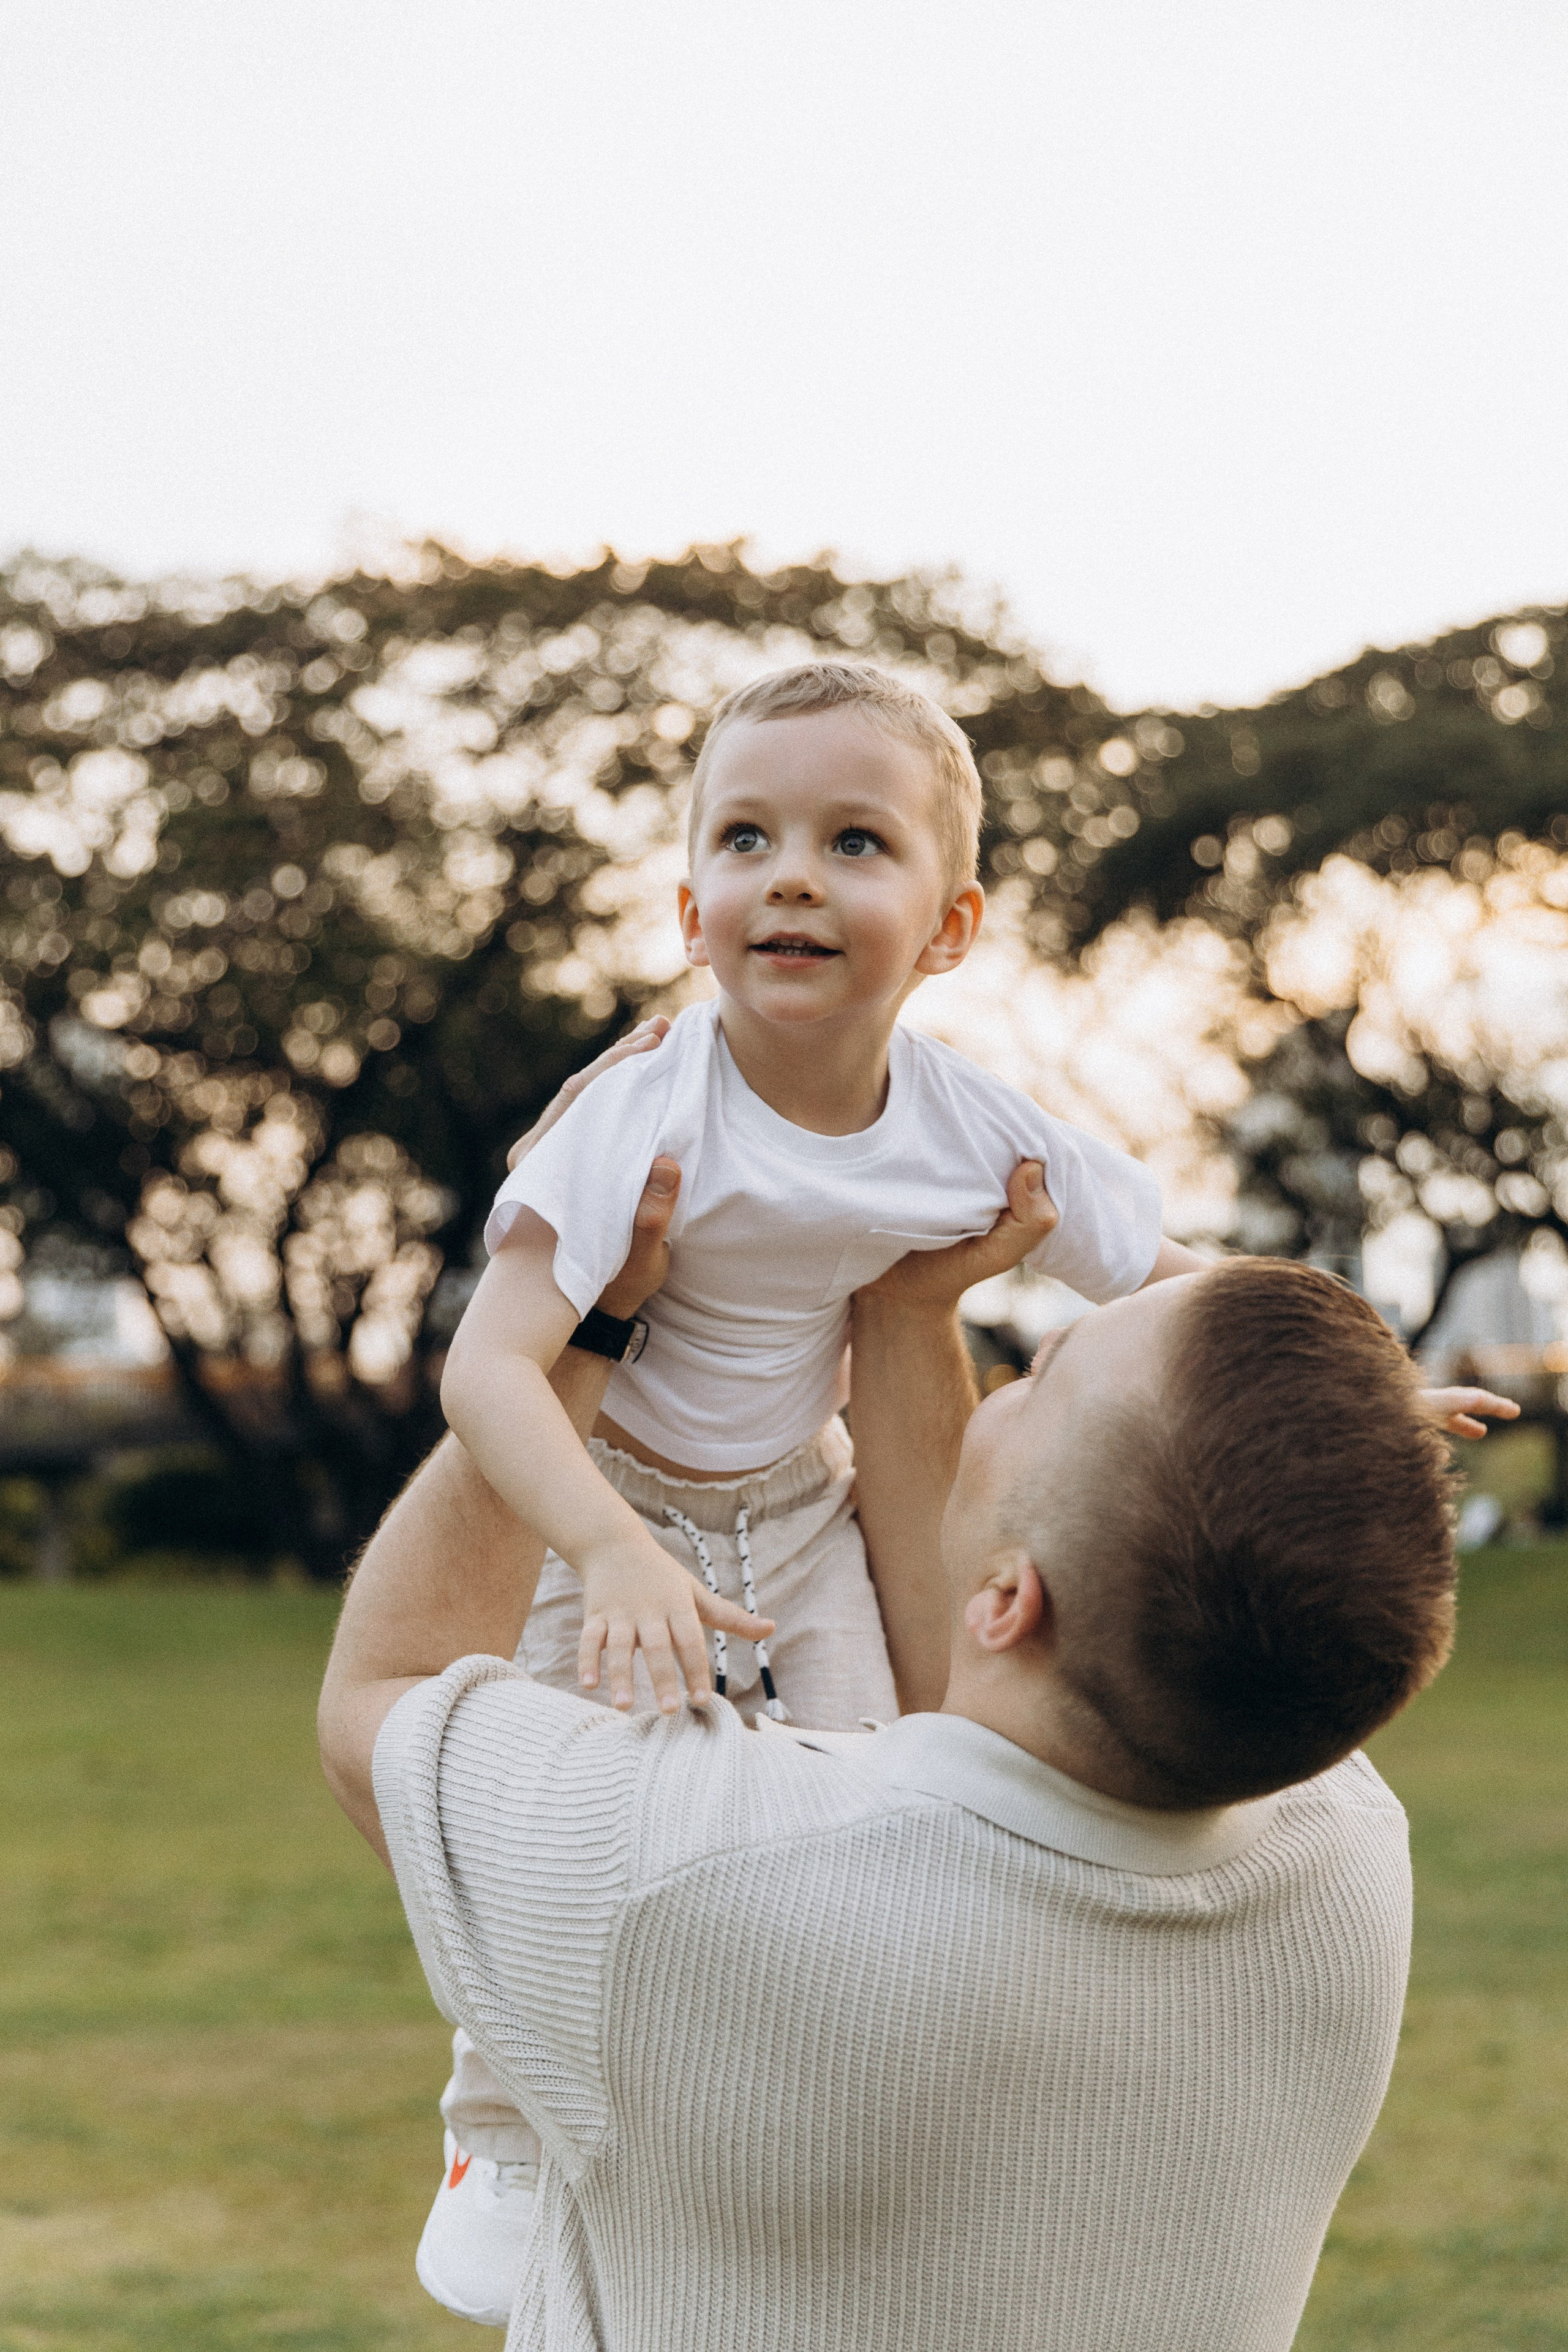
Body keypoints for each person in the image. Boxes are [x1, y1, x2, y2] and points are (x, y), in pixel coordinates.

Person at [320, 1121, 1510, 2350]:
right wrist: (900, 1312)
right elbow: (995, 1664)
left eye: (1039, 1381)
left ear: (1012, 1600)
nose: (1007, 1389)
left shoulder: (691, 1874)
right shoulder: (1344, 1851)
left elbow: (388, 1691)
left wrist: (584, 1322)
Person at [428, 660, 1208, 2315]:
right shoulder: (636, 1114)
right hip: (607, 1501)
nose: (793, 872)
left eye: (857, 842)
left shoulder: (970, 1126)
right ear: (691, 901)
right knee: (560, 1828)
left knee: (882, 1801)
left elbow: (1166, 1281)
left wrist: (1352, 1384)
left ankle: (828, 2118)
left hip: (801, 1514)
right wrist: (606, 1548)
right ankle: (494, 2120)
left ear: (950, 927)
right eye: (749, 837)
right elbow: (487, 1373)